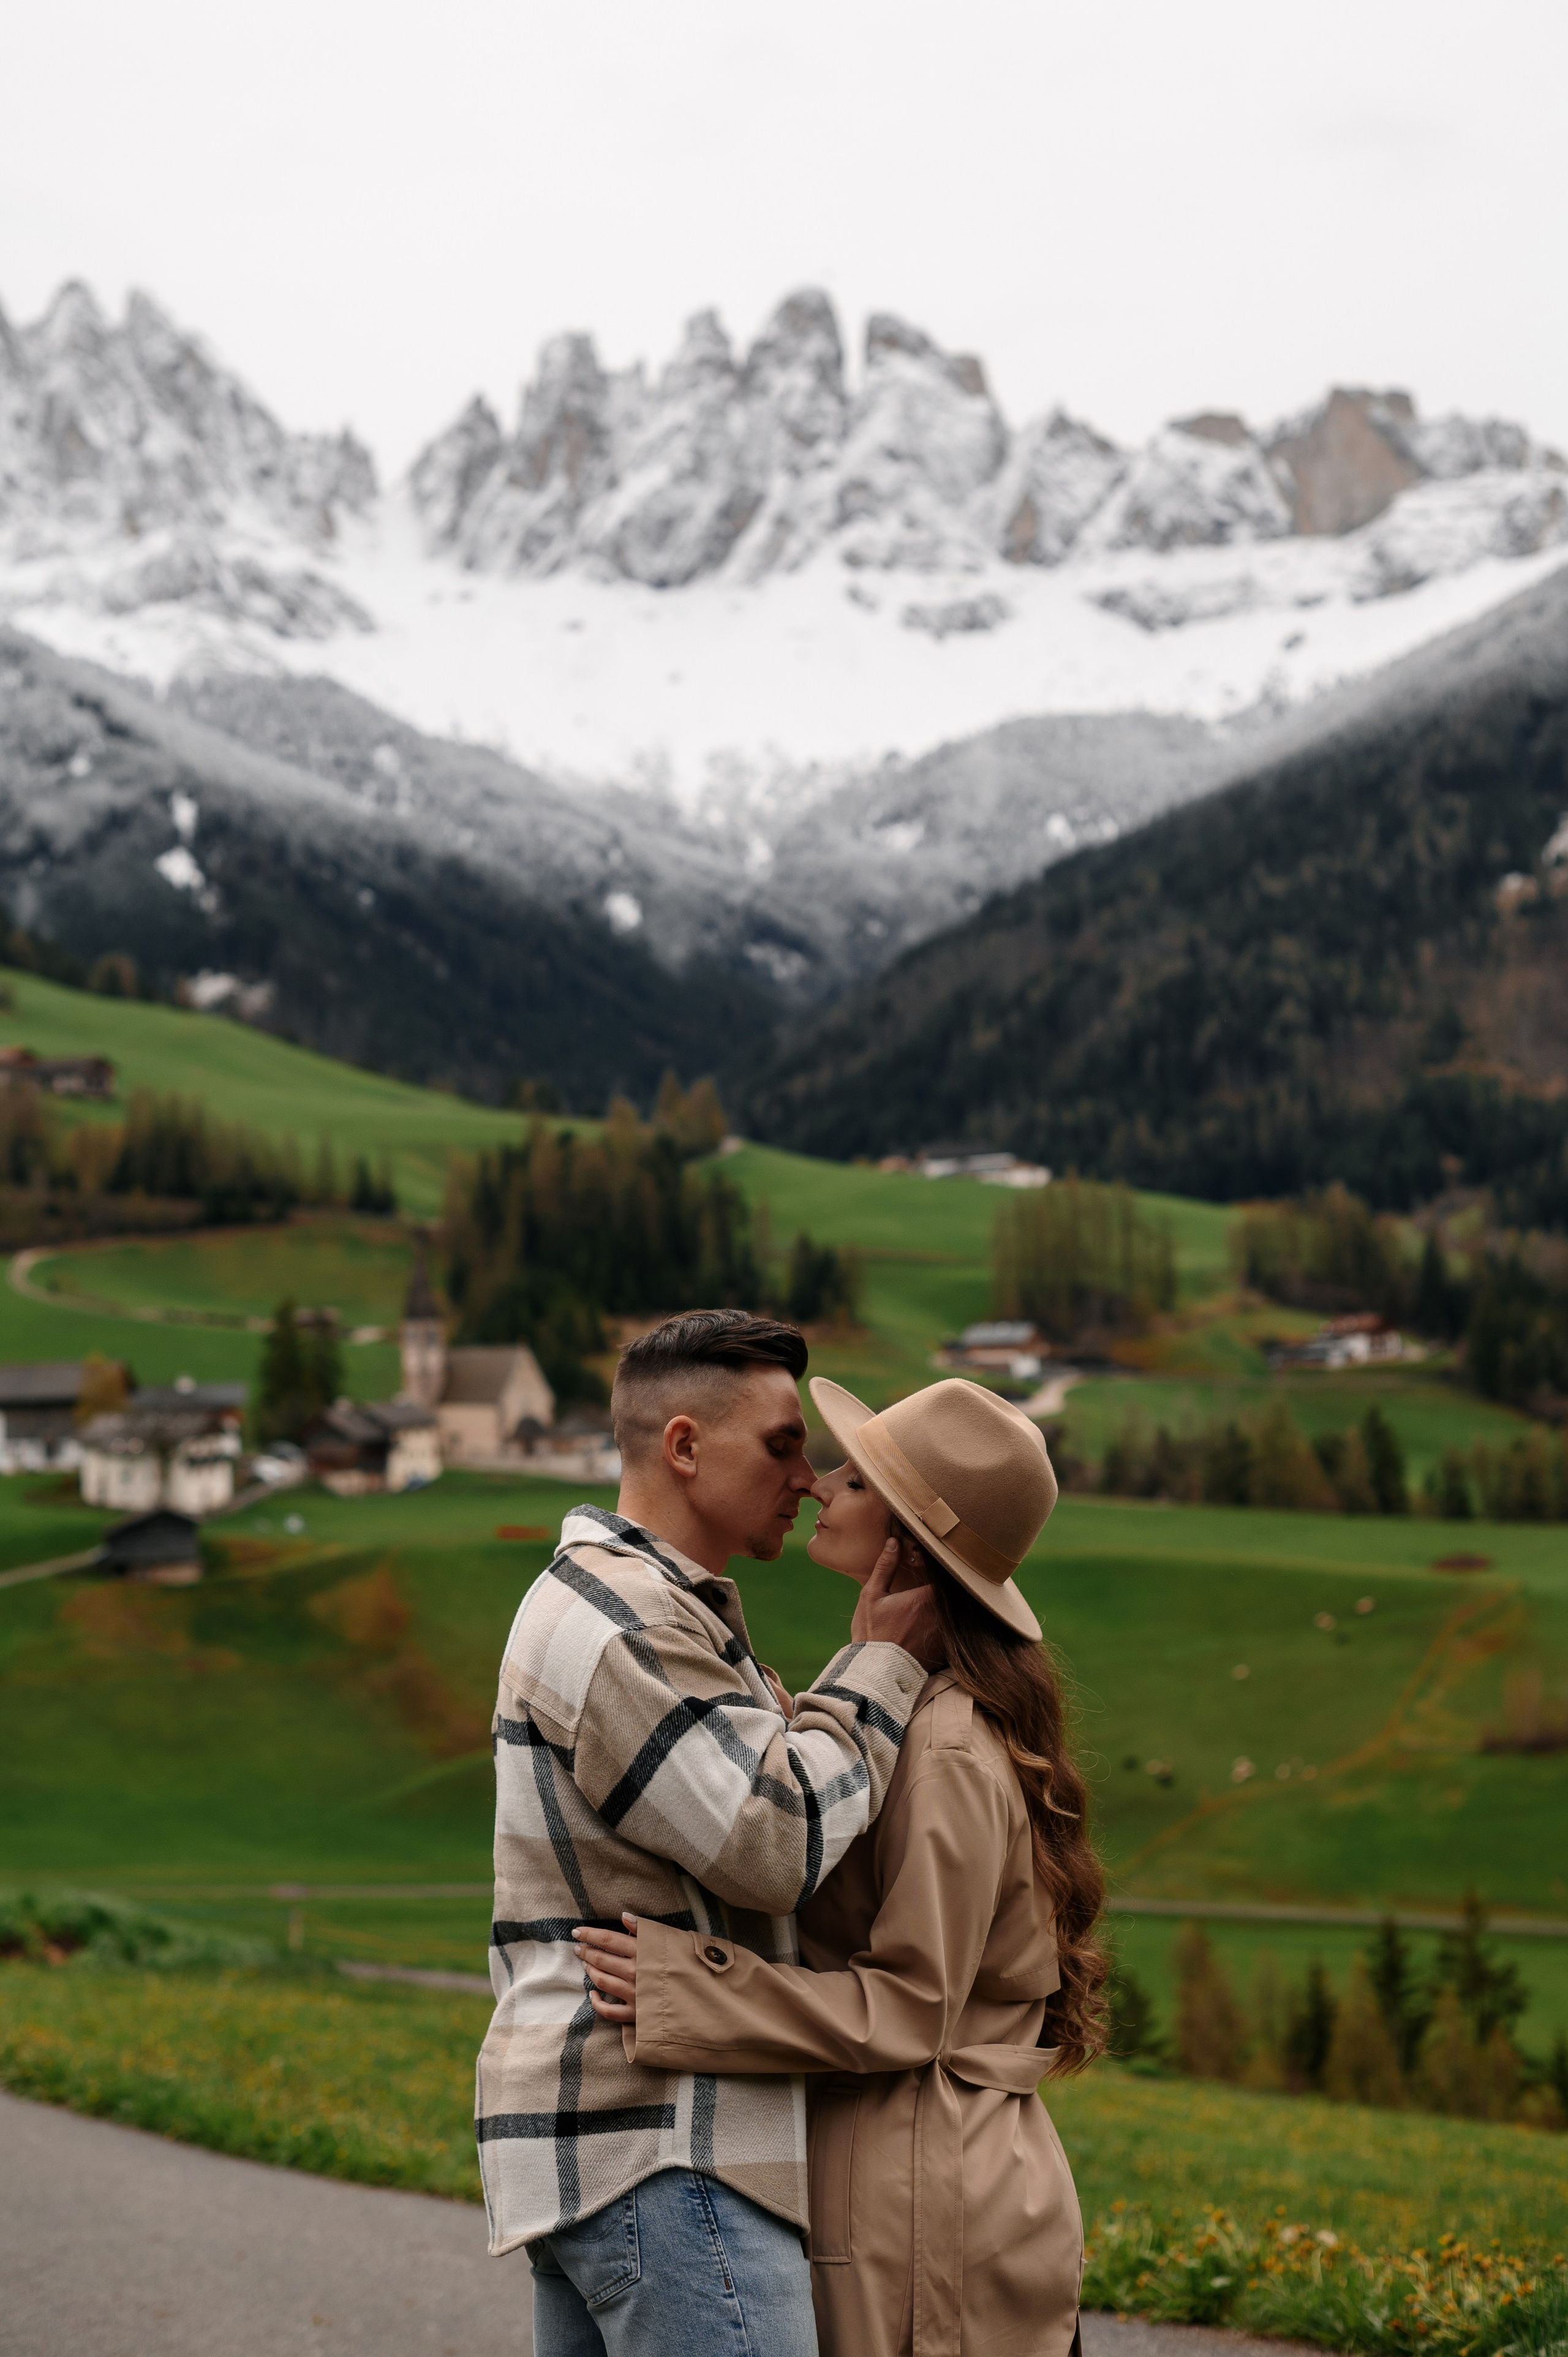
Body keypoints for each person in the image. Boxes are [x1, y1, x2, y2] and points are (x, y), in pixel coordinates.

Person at [575, 1374, 1107, 2357]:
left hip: (924, 2204)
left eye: (855, 1479)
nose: (819, 1487)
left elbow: (912, 2006)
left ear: (912, 1542)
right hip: (914, 2179)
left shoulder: (945, 1747)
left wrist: (695, 1991)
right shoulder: (911, 1705)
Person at [476, 1310, 943, 2357]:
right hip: (669, 2152)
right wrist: (881, 1667)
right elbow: (775, 1842)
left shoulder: (643, 1608)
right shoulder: (625, 1621)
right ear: (685, 1447)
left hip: (619, 2154)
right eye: (784, 1444)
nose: (814, 1479)